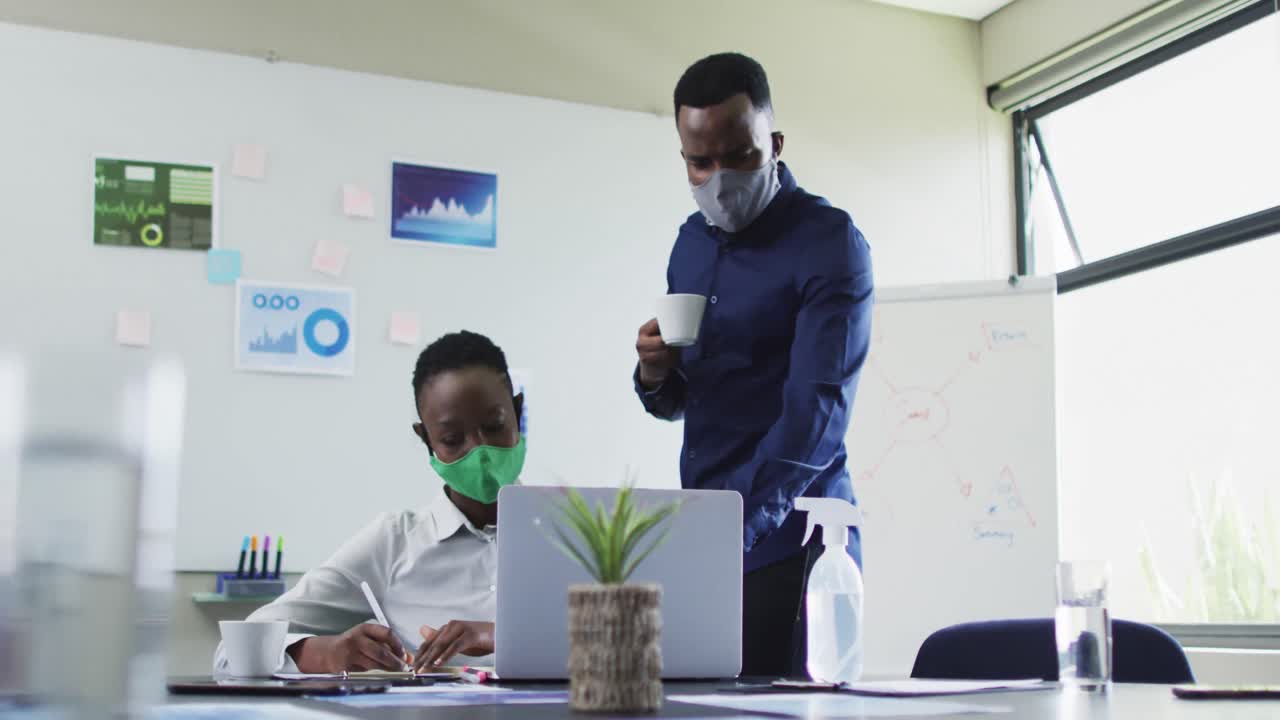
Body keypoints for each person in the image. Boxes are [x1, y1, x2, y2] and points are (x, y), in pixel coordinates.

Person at [633, 52, 873, 678]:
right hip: (707, 533)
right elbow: (694, 394)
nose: (718, 177)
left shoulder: (830, 242)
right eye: (699, 161)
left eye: (739, 156)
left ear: (775, 143)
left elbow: (816, 418)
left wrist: (729, 529)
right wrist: (655, 376)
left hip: (796, 541)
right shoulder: (689, 242)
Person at [213, 330, 525, 674]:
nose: (478, 450)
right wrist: (325, 653)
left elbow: (596, 653)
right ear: (426, 440)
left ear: (518, 412)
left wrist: (500, 635)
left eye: (494, 426)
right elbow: (232, 652)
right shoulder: (393, 544)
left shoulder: (580, 529)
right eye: (452, 439)